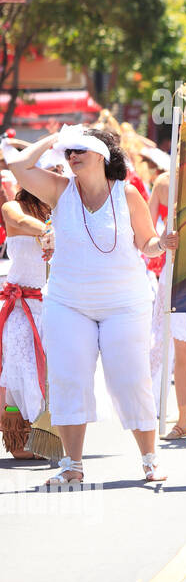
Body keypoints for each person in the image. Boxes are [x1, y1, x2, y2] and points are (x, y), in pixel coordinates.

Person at [6, 126, 174, 485]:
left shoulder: (127, 194)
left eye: (80, 149)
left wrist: (164, 243)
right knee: (68, 379)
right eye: (68, 152)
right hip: (68, 303)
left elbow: (147, 244)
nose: (72, 156)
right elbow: (18, 165)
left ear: (101, 154)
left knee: (130, 378)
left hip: (123, 303)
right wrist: (55, 140)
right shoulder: (59, 191)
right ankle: (72, 466)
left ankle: (149, 458)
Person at [0, 149, 60, 459]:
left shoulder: (60, 209)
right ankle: (18, 440)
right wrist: (49, 232)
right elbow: (21, 221)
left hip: (52, 305)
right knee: (19, 369)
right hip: (20, 306)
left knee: (51, 374)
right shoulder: (13, 207)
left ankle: (46, 436)